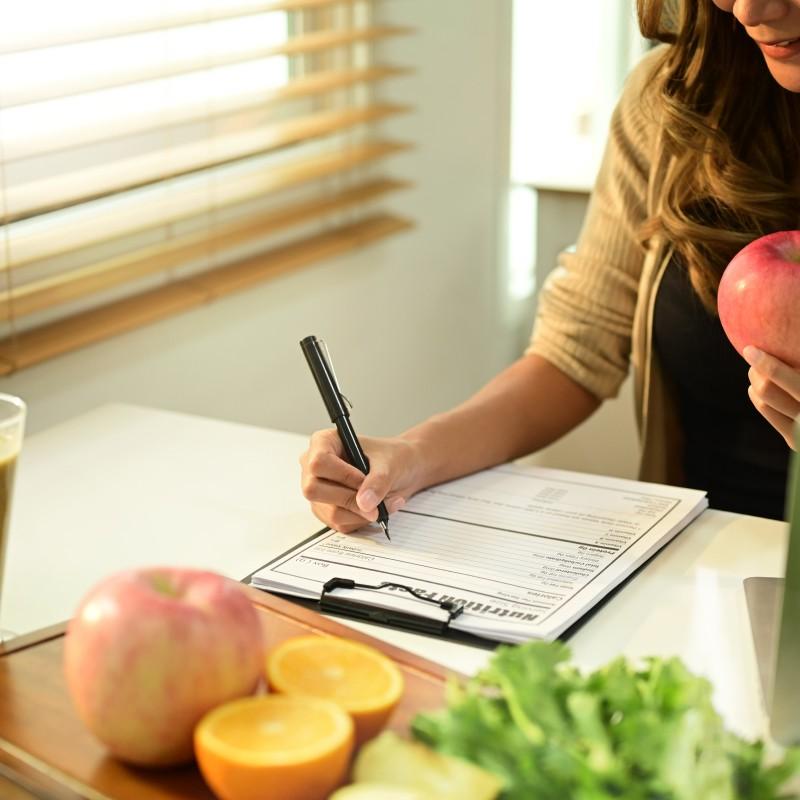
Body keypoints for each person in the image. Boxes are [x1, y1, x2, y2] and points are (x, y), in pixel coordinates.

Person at [300, 0, 800, 530]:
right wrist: (410, 457)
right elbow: (576, 351)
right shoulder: (679, 100)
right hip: (701, 569)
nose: (748, 9)